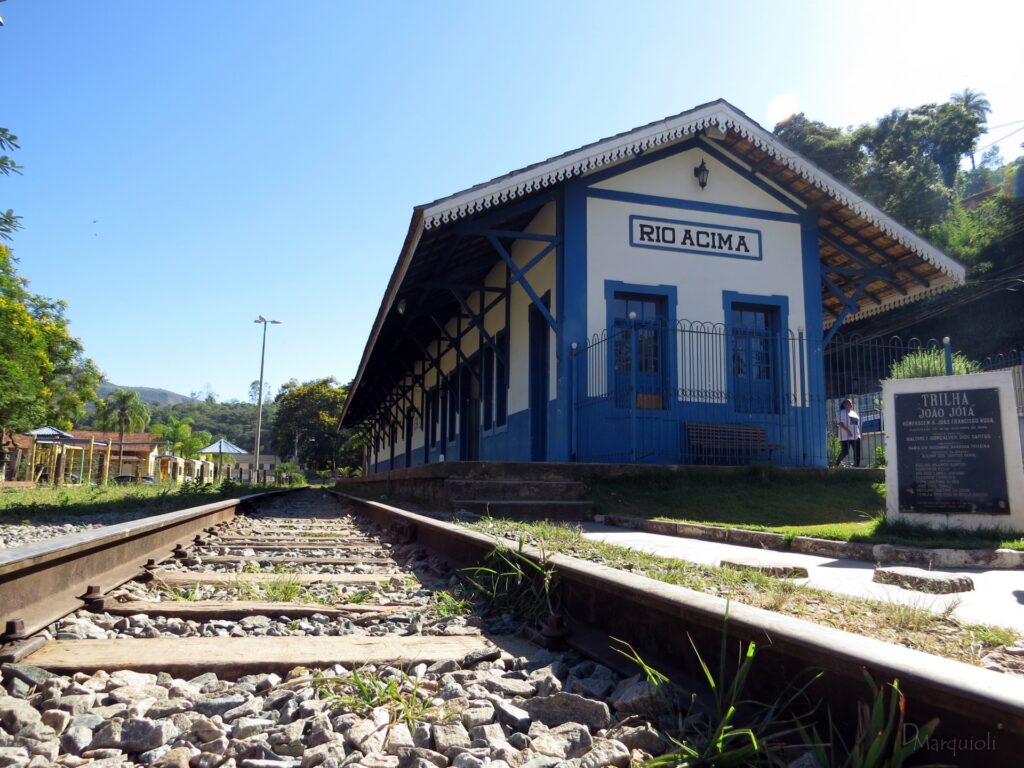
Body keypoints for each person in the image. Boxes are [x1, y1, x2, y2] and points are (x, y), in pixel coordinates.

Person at [834, 398, 861, 467]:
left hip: (856, 435)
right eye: (849, 403)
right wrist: (848, 431)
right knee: (845, 451)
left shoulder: (853, 413)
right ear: (844, 405)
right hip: (846, 436)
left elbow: (857, 424)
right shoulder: (842, 413)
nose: (851, 404)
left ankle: (856, 465)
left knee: (857, 451)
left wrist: (861, 433)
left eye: (851, 403)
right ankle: (836, 464)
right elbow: (840, 423)